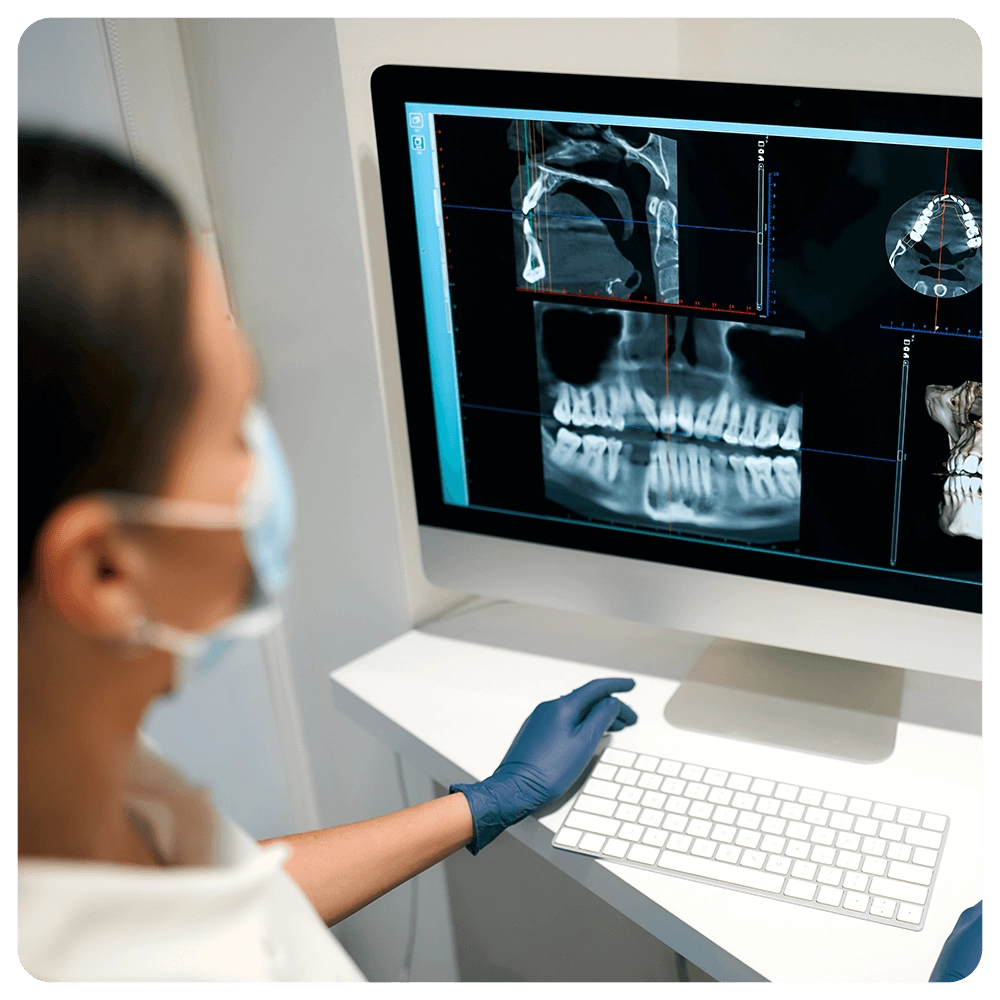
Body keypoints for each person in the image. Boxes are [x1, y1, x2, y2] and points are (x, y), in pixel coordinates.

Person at [15, 133, 638, 984]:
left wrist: (480, 805)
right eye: (236, 429)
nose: (265, 467)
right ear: (102, 573)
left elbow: (225, 897)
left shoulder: (59, 768)